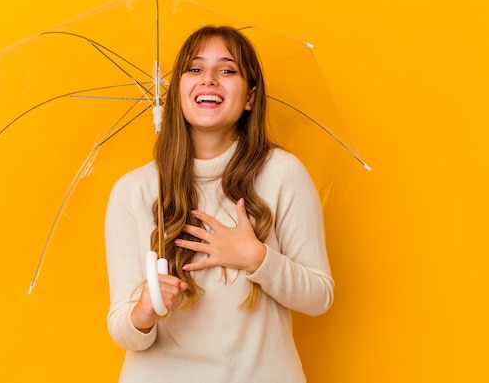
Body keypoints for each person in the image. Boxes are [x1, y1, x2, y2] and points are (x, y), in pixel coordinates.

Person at [105, 25, 333, 383]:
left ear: (250, 98)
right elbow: (122, 328)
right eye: (194, 69)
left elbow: (319, 296)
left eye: (227, 70)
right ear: (176, 92)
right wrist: (144, 311)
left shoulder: (282, 174)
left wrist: (256, 258)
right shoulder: (133, 190)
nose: (209, 80)